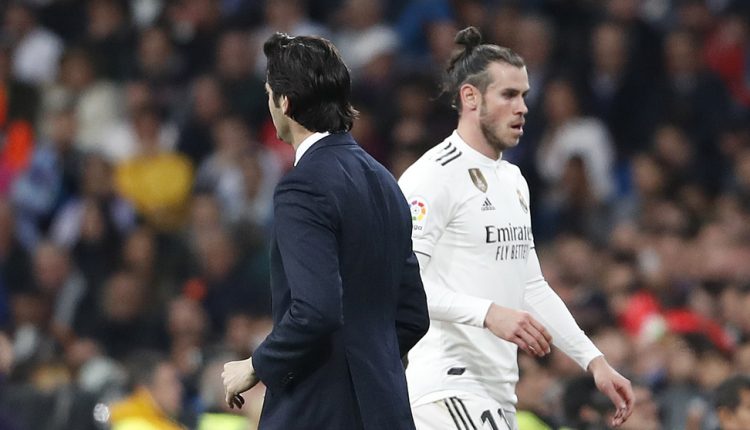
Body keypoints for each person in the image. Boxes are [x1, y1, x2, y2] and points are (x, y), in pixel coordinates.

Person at [398, 26, 634, 430]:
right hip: (447, 387)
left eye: (524, 95)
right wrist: (488, 313)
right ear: (470, 97)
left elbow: (531, 286)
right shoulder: (432, 176)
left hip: (497, 391)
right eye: (508, 95)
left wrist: (594, 361)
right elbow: (403, 282)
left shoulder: (512, 180)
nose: (522, 107)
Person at [222, 32, 430, 429]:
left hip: (317, 413)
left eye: (269, 95)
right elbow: (413, 315)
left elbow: (315, 310)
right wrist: (366, 362)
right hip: (386, 409)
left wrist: (256, 365)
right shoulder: (386, 182)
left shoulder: (302, 186)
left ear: (285, 102)